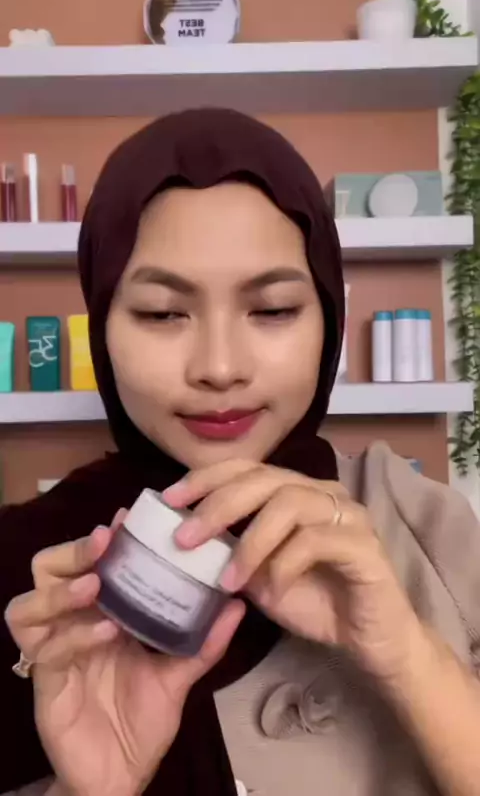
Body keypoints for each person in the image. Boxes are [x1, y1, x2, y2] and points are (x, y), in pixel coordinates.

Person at [2, 109, 480, 796]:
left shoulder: (423, 527)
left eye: (273, 309)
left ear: (328, 319)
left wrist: (407, 654)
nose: (220, 368)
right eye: (163, 313)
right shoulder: (35, 579)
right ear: (102, 328)